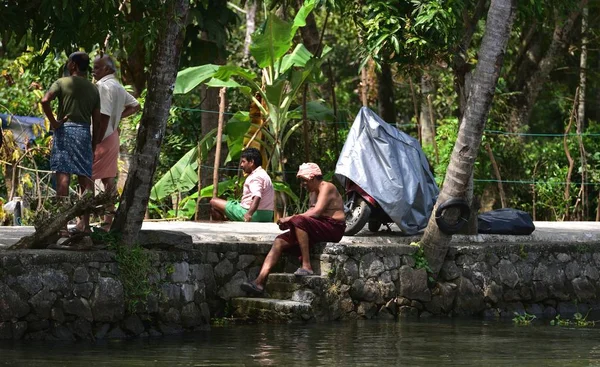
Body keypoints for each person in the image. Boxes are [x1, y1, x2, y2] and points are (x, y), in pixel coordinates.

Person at [240, 162, 346, 295]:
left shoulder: (327, 187)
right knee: (279, 241)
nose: (303, 184)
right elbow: (309, 216)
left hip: (333, 228)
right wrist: (290, 224)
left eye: (304, 181)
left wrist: (291, 219)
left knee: (297, 220)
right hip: (319, 227)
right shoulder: (313, 192)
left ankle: (306, 266)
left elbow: (316, 213)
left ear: (312, 178)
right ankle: (259, 282)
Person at [41, 51, 101, 236]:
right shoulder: (93, 89)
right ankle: (85, 224)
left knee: (63, 178)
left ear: (73, 65)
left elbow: (44, 101)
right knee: (85, 178)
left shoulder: (61, 82)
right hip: (84, 132)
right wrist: (94, 143)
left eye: (69, 62)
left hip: (65, 131)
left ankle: (62, 227)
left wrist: (54, 122)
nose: (67, 64)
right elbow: (97, 121)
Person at [92, 55, 140, 231]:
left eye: (97, 68)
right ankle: (107, 220)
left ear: (107, 69)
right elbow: (135, 106)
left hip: (101, 136)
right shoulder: (118, 86)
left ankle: (85, 220)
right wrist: (117, 119)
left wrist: (97, 137)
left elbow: (103, 116)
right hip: (112, 135)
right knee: (108, 179)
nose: (93, 71)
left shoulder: (103, 87)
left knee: (89, 178)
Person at [210, 147, 274, 222]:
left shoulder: (256, 176)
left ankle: (224, 228)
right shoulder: (263, 174)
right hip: (267, 215)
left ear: (251, 162)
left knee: (213, 202)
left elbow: (257, 196)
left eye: (243, 162)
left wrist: (249, 214)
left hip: (255, 214)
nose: (241, 165)